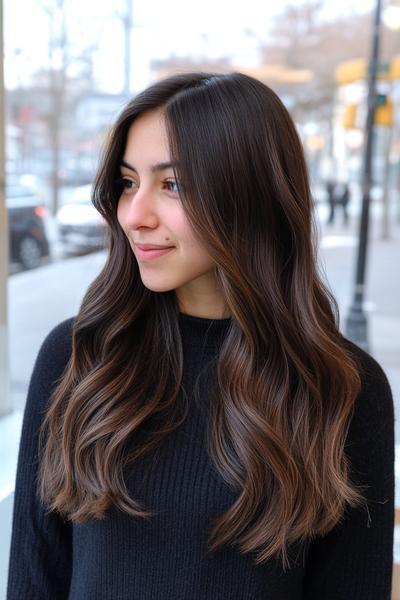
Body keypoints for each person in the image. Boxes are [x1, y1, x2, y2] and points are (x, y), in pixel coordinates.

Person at [7, 72, 394, 599]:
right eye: (127, 182)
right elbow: (34, 579)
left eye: (173, 185)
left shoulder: (343, 386)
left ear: (252, 194)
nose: (134, 215)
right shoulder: (79, 356)